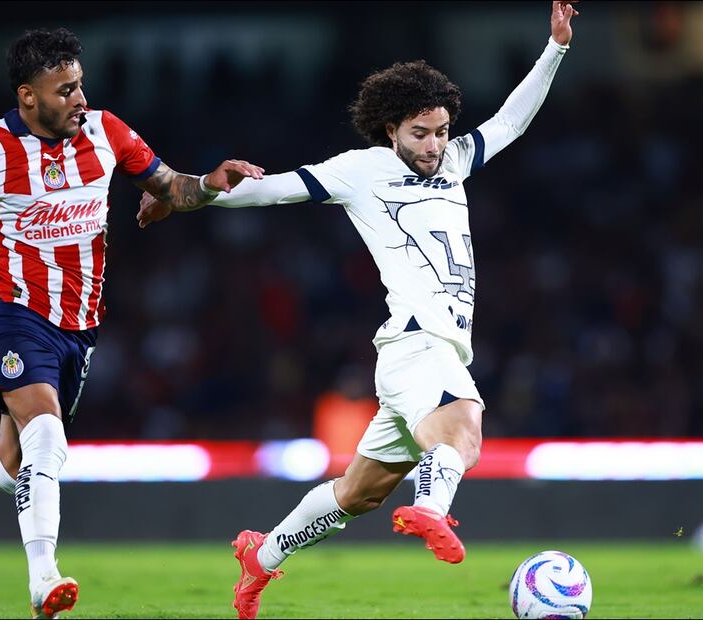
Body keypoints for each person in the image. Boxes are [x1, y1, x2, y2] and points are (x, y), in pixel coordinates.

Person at [138, 3, 579, 618]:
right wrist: (190, 190)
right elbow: (273, 190)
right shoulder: (361, 170)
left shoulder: (455, 161)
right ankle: (430, 510)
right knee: (464, 426)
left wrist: (555, 47)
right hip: (418, 344)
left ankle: (262, 556)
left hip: (424, 353)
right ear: (391, 129)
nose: (434, 145)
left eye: (441, 131)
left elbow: (510, 120)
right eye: (420, 133)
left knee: (358, 493)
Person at [0, 27, 262, 619]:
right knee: (47, 436)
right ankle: (44, 580)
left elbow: (170, 186)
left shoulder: (107, 131)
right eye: (65, 90)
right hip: (14, 314)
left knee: (14, 469)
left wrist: (211, 183)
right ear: (28, 96)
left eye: (80, 85)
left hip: (80, 329)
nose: (80, 99)